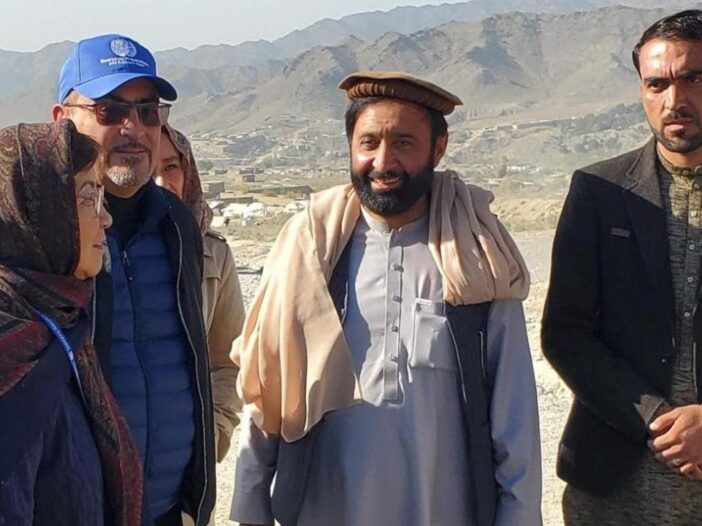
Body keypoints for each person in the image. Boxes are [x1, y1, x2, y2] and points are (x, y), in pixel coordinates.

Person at [230, 71, 542, 526]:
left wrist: (518, 516)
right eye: (369, 143)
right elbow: (268, 389)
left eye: (403, 143)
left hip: (443, 510)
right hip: (324, 509)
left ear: (438, 148)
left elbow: (514, 410)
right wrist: (250, 503)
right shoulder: (311, 247)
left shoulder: (476, 252)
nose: (383, 161)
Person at [542, 9, 702, 525]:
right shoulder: (600, 192)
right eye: (657, 84)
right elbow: (565, 333)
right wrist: (656, 417)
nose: (674, 100)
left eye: (693, 78)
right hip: (614, 488)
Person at [51, 34, 215, 526]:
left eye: (148, 111)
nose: (133, 128)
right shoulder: (40, 234)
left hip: (167, 509)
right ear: (62, 120)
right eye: (110, 110)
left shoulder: (177, 224)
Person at [0, 120, 143, 526]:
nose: (106, 219)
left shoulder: (56, 325)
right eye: (87, 196)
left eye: (102, 195)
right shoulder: (9, 350)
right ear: (38, 212)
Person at [155, 124, 246, 461]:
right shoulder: (97, 248)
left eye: (171, 167)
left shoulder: (213, 253)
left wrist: (214, 432)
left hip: (184, 460)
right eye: (149, 167)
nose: (161, 183)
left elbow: (230, 359)